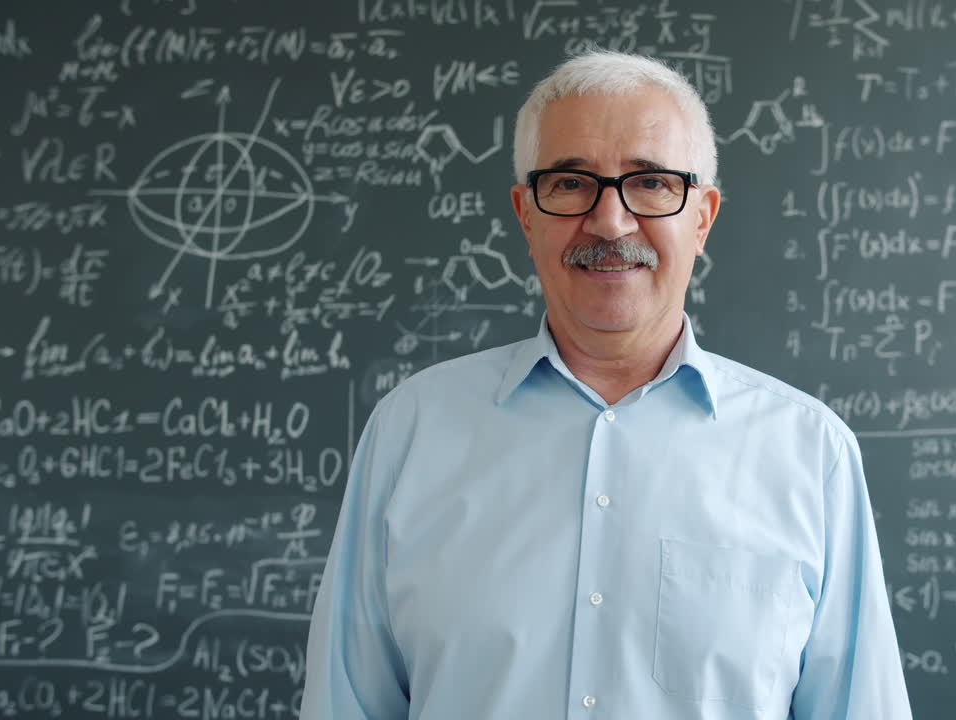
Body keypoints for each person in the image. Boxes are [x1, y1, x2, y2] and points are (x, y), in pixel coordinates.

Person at [300, 50, 912, 719]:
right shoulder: (412, 431)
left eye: (650, 183)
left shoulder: (808, 452)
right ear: (525, 213)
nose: (611, 222)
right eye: (570, 182)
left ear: (702, 217)